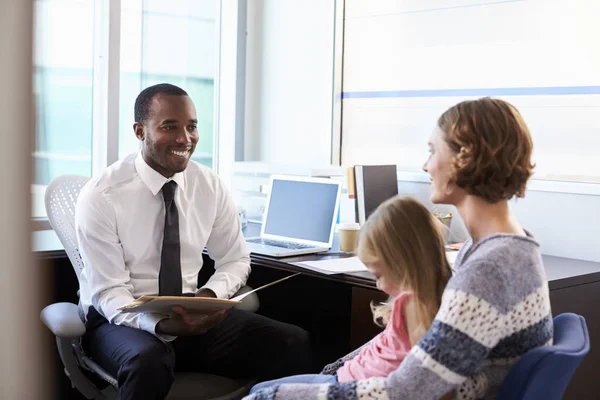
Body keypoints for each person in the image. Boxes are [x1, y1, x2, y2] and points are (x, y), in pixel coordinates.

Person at [245, 97, 553, 400]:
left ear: (465, 156)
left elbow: (406, 391)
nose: (426, 165)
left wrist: (276, 395)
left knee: (263, 393)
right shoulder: (509, 247)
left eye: (433, 151)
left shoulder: (489, 269)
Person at [76, 83, 312, 400]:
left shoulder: (209, 185)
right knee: (148, 359)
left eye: (191, 126)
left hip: (190, 317)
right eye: (169, 127)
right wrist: (160, 327)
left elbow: (235, 259)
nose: (185, 139)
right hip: (118, 322)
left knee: (291, 341)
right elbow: (109, 293)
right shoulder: (102, 195)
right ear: (139, 131)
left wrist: (208, 297)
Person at [249, 196, 453, 394]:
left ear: (402, 261)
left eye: (379, 275)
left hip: (349, 387)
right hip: (346, 376)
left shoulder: (413, 305)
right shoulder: (432, 296)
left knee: (259, 391)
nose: (379, 285)